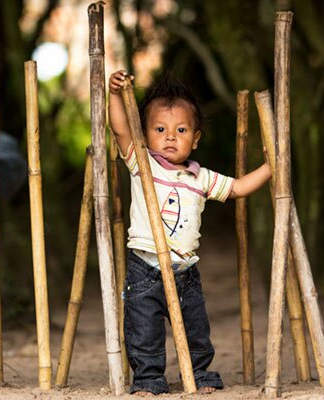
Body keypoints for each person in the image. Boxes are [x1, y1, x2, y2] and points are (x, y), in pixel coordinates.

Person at [108, 70, 271, 396]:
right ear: (146, 134)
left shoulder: (201, 177)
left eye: (180, 130)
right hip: (144, 265)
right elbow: (120, 128)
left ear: (195, 139)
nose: (170, 136)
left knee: (196, 327)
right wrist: (114, 94)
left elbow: (238, 188)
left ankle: (199, 374)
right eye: (160, 129)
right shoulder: (142, 163)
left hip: (184, 268)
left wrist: (270, 168)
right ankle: (148, 380)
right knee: (144, 329)